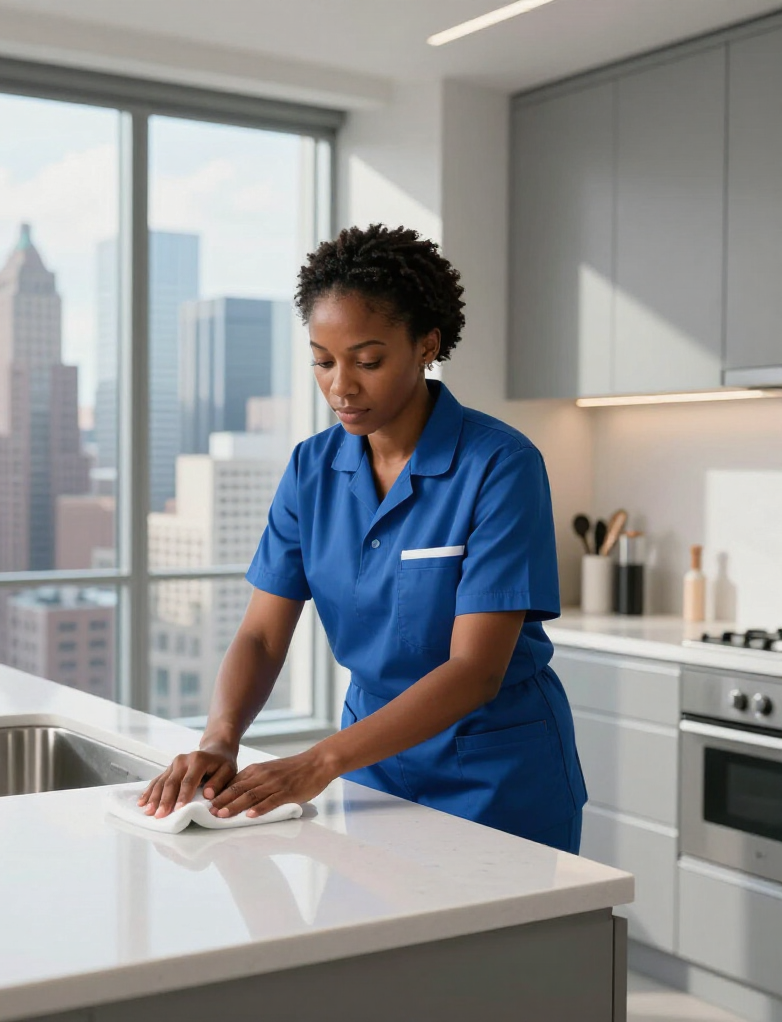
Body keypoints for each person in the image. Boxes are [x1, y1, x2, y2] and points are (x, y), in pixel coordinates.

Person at [139, 223, 588, 853]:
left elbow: (474, 670)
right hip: (370, 772)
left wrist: (317, 764)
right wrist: (220, 737)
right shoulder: (311, 468)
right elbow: (264, 633)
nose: (341, 385)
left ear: (426, 345)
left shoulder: (499, 465)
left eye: (368, 361)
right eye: (323, 361)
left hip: (495, 778)